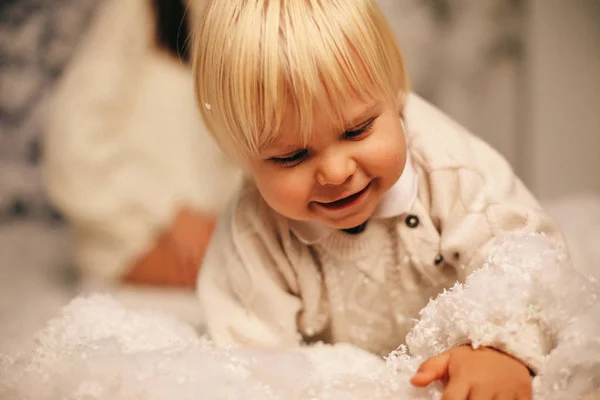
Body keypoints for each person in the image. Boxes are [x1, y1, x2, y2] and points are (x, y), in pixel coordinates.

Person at [192, 0, 565, 398]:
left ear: (395, 97)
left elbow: (527, 258)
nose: (336, 173)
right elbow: (248, 359)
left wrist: (499, 347)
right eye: (292, 156)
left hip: (464, 345)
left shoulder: (450, 170)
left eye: (357, 130)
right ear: (243, 160)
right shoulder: (254, 235)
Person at [43, 0, 242, 294]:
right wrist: (171, 210)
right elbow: (73, 135)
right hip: (137, 232)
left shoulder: (244, 17)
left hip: (215, 231)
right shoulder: (137, 9)